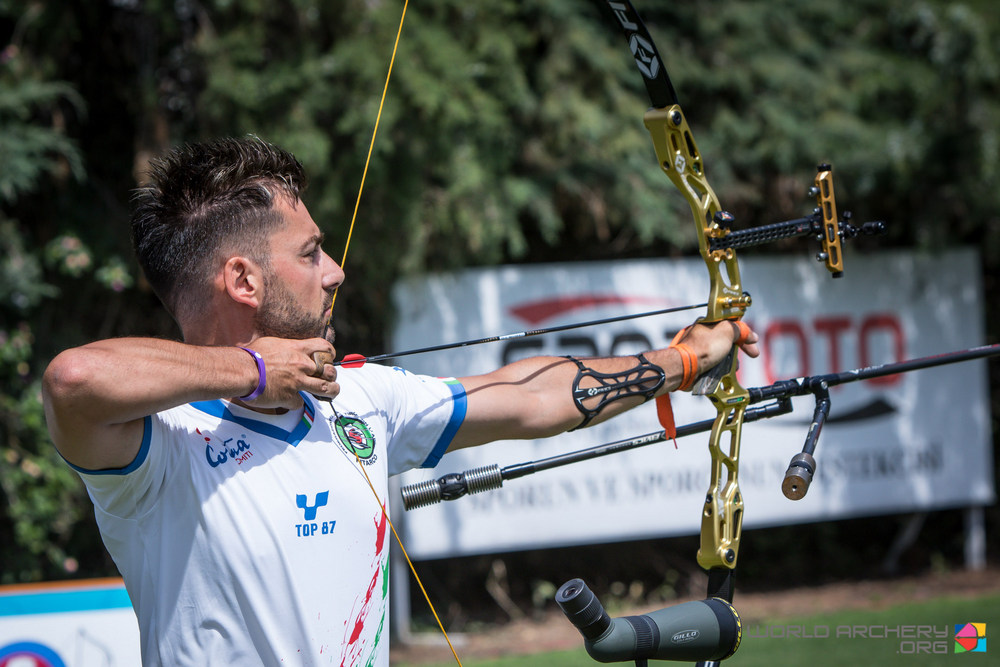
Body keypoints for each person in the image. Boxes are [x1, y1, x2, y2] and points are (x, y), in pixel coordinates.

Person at [42, 136, 759, 666]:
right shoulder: (160, 443)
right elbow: (73, 379)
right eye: (310, 252)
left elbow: (531, 397)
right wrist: (253, 370)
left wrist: (682, 359)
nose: (336, 270)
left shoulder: (359, 396)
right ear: (244, 280)